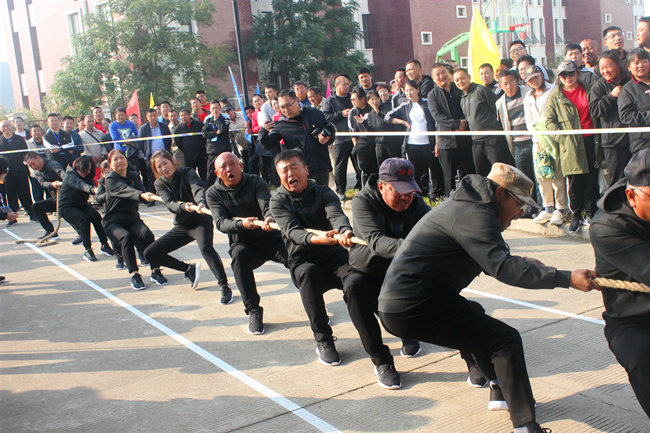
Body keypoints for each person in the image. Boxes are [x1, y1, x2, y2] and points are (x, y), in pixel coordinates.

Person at [378, 163, 600, 433]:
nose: (520, 213)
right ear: (500, 194)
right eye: (519, 203)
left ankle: (499, 390)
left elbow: (487, 255)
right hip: (412, 305)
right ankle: (525, 426)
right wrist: (566, 278)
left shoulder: (471, 205)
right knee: (504, 340)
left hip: (414, 302)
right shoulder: (474, 213)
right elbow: (503, 269)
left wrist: (521, 262)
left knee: (476, 320)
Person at [346, 158, 432, 388]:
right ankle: (381, 359)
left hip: (401, 268)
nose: (406, 197)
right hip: (368, 269)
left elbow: (436, 226)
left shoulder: (415, 202)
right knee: (353, 289)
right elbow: (376, 241)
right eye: (399, 191)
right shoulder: (363, 201)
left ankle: (406, 331)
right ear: (382, 186)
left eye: (410, 191)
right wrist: (420, 247)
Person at [269, 149, 354, 365]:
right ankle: (323, 338)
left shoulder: (324, 192)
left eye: (294, 167)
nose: (290, 174)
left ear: (306, 170)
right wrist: (318, 239)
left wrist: (344, 230)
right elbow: (293, 232)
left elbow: (336, 215)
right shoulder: (278, 201)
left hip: (333, 255)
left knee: (357, 280)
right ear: (279, 177)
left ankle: (392, 327)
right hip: (302, 259)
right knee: (308, 273)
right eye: (284, 171)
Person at [589, 148, 650, 420]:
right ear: (632, 195)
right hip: (632, 320)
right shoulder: (607, 227)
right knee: (642, 358)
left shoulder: (643, 197)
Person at [207, 152, 288, 333]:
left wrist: (269, 218)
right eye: (223, 167)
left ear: (241, 165)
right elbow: (221, 223)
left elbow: (267, 206)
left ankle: (315, 306)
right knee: (238, 256)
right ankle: (253, 310)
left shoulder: (255, 182)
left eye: (232, 164)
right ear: (217, 173)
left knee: (299, 261)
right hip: (244, 243)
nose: (229, 169)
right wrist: (241, 225)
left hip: (270, 238)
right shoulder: (213, 193)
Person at [143, 150, 232, 300]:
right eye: (159, 167)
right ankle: (188, 269)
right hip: (182, 226)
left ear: (172, 160)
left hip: (200, 221)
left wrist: (201, 203)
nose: (164, 168)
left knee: (206, 249)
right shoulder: (159, 183)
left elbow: (197, 188)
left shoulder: (188, 172)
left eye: (165, 163)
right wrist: (183, 206)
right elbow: (170, 203)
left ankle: (224, 286)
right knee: (150, 253)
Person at [544, 60, 599, 233]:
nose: (567, 77)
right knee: (574, 181)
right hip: (570, 143)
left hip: (590, 139)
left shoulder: (589, 89)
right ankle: (576, 214)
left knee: (591, 178)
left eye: (571, 73)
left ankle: (591, 212)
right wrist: (563, 138)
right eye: (563, 75)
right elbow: (549, 121)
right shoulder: (556, 95)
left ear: (577, 73)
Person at [103, 149, 162, 290]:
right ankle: (134, 274)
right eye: (115, 159)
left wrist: (149, 195)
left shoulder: (134, 175)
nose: (120, 161)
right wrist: (140, 194)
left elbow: (142, 193)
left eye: (122, 157)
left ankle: (155, 270)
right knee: (126, 237)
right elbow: (125, 190)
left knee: (147, 235)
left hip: (132, 218)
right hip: (113, 221)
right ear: (110, 164)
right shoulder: (110, 179)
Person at [522, 65, 569, 226]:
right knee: (542, 174)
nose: (534, 81)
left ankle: (561, 208)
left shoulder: (553, 90)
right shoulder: (528, 96)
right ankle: (548, 207)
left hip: (553, 138)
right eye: (530, 80)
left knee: (557, 174)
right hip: (537, 139)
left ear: (542, 76)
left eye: (536, 77)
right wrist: (536, 133)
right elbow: (528, 119)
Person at [259, 90, 336, 186]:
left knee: (322, 193)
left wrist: (327, 138)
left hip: (321, 166)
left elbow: (329, 129)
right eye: (282, 107)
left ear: (297, 101)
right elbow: (268, 145)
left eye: (288, 105)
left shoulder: (314, 113)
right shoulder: (282, 125)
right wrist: (263, 131)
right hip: (300, 170)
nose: (286, 110)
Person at [385, 79, 444, 200]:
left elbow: (437, 123)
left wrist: (437, 142)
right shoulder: (405, 106)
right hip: (412, 144)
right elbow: (387, 117)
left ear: (417, 90)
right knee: (416, 171)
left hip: (428, 143)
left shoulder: (428, 103)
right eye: (406, 91)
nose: (409, 93)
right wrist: (402, 122)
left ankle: (437, 194)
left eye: (411, 90)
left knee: (435, 169)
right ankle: (419, 194)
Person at [454, 68, 514, 176]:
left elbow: (498, 109)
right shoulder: (462, 99)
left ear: (469, 77)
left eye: (462, 78)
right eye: (457, 80)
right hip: (476, 141)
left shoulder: (481, 90)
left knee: (500, 173)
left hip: (493, 139)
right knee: (481, 174)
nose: (460, 82)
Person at [428, 63, 475, 195]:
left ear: (448, 74)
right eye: (437, 74)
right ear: (433, 78)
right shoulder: (432, 95)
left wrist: (463, 123)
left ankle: (473, 199)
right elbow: (437, 116)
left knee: (471, 172)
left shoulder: (458, 89)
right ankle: (451, 201)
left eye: (443, 72)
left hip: (465, 138)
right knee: (449, 177)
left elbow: (467, 108)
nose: (441, 76)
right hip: (446, 142)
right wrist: (456, 124)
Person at [589, 50, 631, 187]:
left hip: (633, 140)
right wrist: (611, 96)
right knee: (618, 181)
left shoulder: (630, 81)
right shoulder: (599, 86)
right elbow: (594, 111)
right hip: (613, 142)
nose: (605, 71)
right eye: (602, 68)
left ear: (618, 64)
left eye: (608, 66)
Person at [496, 70, 535, 215]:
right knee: (524, 179)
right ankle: (530, 207)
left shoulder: (528, 92)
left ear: (516, 80)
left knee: (539, 176)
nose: (509, 86)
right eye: (505, 83)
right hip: (517, 144)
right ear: (500, 86)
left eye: (511, 82)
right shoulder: (500, 103)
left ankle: (544, 207)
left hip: (533, 140)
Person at [59, 155, 112, 261]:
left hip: (82, 204)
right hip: (67, 207)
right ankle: (88, 249)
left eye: (88, 170)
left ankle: (104, 245)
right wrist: (94, 190)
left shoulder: (88, 176)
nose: (86, 173)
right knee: (84, 220)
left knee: (96, 216)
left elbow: (95, 189)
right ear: (77, 167)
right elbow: (82, 186)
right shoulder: (70, 176)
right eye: (84, 170)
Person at [322, 74, 361, 199]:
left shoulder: (352, 97)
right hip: (340, 138)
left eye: (348, 84)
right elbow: (325, 117)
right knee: (340, 166)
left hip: (355, 137)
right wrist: (340, 114)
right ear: (337, 85)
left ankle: (361, 187)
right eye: (344, 84)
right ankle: (340, 191)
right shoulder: (330, 101)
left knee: (359, 164)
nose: (346, 86)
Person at [23, 152, 65, 238]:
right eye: (30, 166)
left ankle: (82, 235)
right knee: (36, 207)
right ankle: (51, 232)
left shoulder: (52, 164)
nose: (33, 167)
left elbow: (63, 174)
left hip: (66, 197)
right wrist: (52, 184)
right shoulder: (36, 171)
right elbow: (42, 183)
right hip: (55, 198)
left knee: (67, 213)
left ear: (38, 157)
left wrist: (62, 182)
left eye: (33, 163)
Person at [618, 47, 650, 155]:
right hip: (643, 145)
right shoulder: (628, 90)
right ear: (629, 67)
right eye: (636, 63)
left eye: (644, 61)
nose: (641, 65)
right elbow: (625, 116)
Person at [1, 119, 33, 224]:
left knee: (26, 193)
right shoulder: (0, 141)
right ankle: (13, 218)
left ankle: (32, 214)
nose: (6, 128)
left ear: (11, 127)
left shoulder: (19, 139)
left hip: (20, 171)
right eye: (3, 127)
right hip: (7, 173)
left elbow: (25, 154)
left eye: (7, 126)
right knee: (10, 196)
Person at [348, 88, 378, 188]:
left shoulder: (372, 109)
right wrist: (356, 146)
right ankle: (365, 191)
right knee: (364, 171)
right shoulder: (353, 112)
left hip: (375, 144)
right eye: (351, 100)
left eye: (354, 99)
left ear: (362, 99)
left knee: (376, 170)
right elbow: (352, 131)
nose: (352, 101)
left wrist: (363, 122)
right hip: (362, 145)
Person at [139, 108, 172, 192]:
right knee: (151, 177)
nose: (153, 118)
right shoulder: (143, 128)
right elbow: (141, 143)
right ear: (147, 117)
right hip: (150, 156)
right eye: (150, 116)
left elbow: (168, 140)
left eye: (154, 115)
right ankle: (153, 195)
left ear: (157, 115)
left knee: (166, 174)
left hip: (163, 154)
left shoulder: (164, 126)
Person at [202, 100, 231, 188]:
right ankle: (209, 190)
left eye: (216, 108)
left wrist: (216, 120)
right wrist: (215, 133)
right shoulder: (207, 119)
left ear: (220, 108)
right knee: (211, 174)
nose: (215, 110)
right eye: (212, 108)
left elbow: (223, 129)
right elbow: (204, 134)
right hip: (212, 150)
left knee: (226, 172)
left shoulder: (225, 117)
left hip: (224, 148)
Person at [176, 109, 207, 182]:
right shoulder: (178, 129)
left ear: (189, 115)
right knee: (191, 175)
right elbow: (178, 142)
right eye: (181, 116)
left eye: (185, 115)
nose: (183, 117)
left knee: (204, 174)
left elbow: (205, 137)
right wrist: (186, 150)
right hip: (189, 156)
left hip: (201, 155)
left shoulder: (199, 125)